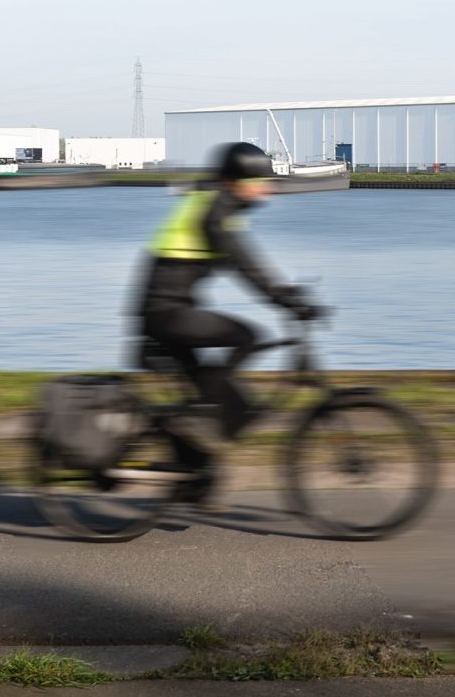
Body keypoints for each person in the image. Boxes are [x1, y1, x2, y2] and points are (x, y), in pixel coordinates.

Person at [130, 141, 325, 500]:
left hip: (164, 313)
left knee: (221, 396)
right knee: (246, 336)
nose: (267, 190)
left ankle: (192, 478)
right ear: (238, 181)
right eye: (260, 181)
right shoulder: (215, 211)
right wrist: (283, 298)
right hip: (166, 314)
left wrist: (285, 293)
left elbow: (246, 260)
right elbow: (244, 263)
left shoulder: (215, 205)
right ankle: (199, 424)